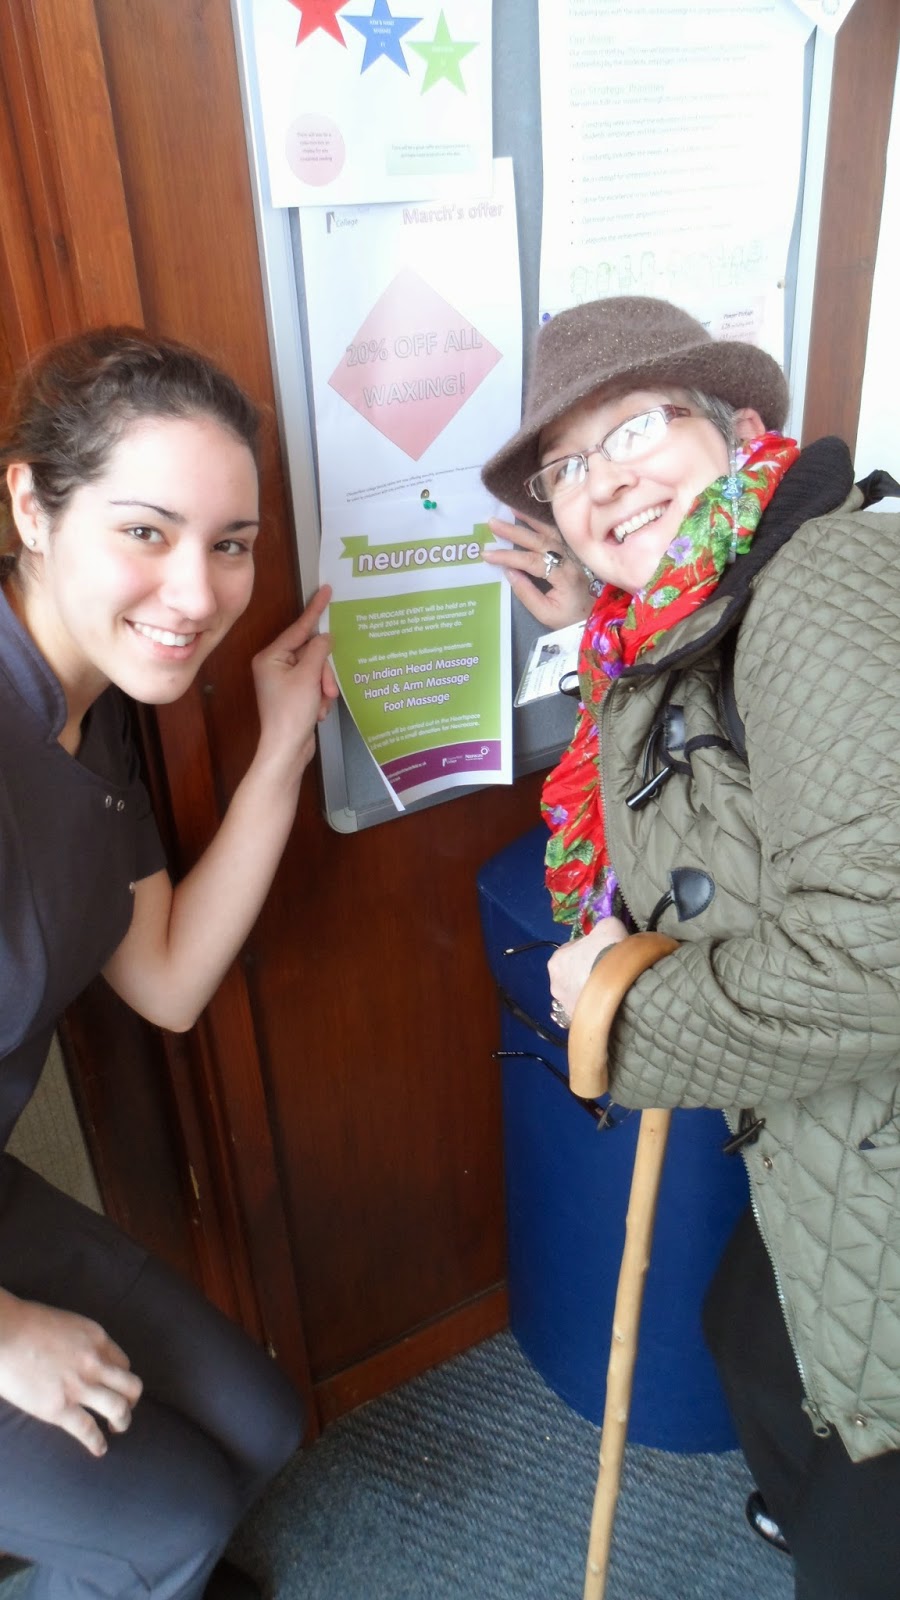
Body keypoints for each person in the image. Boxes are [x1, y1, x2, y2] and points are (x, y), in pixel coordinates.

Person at [481, 295, 900, 1600]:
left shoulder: (822, 584)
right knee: (749, 1334)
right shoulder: (698, 605)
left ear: (740, 424)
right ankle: (817, 1507)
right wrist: (596, 623)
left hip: (878, 1125)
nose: (601, 481)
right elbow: (679, 785)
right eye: (567, 467)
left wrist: (614, 1017)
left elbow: (878, 956)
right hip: (832, 1125)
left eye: (635, 430)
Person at [0, 326, 339, 1599]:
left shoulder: (88, 715)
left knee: (261, 1425)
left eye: (230, 543)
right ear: (31, 506)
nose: (196, 593)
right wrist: (7, 1339)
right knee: (175, 1525)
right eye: (146, 530)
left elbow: (168, 980)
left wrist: (282, 747)